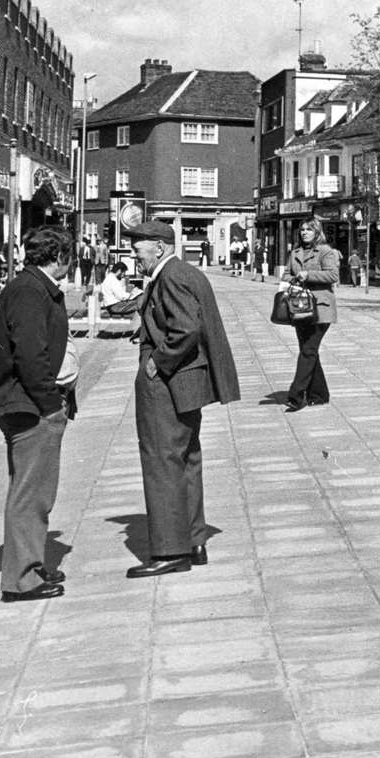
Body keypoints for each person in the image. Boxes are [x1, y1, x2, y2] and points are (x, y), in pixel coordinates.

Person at [124, 219, 240, 577]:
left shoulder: (170, 276)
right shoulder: (183, 273)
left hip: (169, 386)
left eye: (138, 248)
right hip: (188, 386)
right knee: (187, 459)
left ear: (158, 248)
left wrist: (156, 363)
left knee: (162, 461)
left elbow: (185, 328)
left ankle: (170, 551)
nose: (133, 254)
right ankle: (193, 540)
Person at [0, 226, 76, 603]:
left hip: (27, 403)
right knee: (30, 494)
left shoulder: (32, 287)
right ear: (58, 258)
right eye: (67, 259)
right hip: (29, 406)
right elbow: (30, 355)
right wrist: (51, 405)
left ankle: (31, 563)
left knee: (35, 490)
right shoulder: (28, 291)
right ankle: (21, 579)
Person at [282, 218, 341, 412]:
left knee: (308, 350)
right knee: (309, 351)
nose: (304, 233)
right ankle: (319, 394)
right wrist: (293, 278)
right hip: (300, 307)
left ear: (317, 232)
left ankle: (296, 395)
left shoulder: (325, 251)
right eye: (302, 230)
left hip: (321, 308)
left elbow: (333, 275)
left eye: (309, 229)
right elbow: (285, 276)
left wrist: (308, 275)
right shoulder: (295, 253)